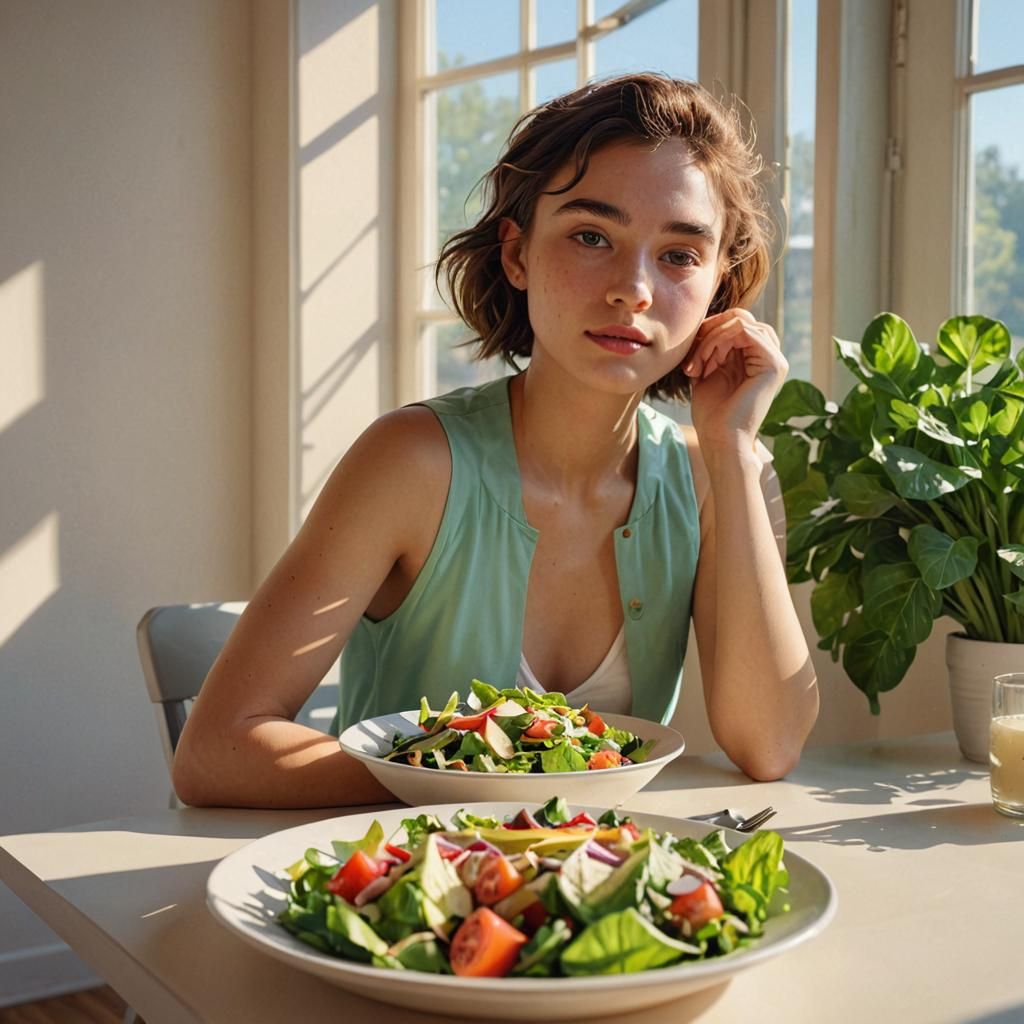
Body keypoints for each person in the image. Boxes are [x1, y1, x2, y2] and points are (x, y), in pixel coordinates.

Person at [173, 73, 819, 809]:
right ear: (516, 254)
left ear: (718, 286)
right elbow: (217, 751)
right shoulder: (412, 463)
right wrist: (499, 779)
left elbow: (769, 746)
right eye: (590, 236)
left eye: (678, 255)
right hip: (399, 900)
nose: (633, 288)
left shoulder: (719, 474)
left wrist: (734, 453)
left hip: (591, 894)